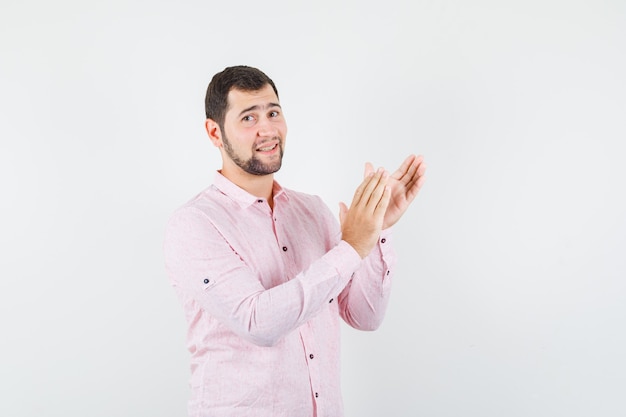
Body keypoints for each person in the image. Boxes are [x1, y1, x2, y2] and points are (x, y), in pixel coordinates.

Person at [163, 65, 426, 417]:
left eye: (273, 112)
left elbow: (364, 316)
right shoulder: (195, 224)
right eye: (248, 118)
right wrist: (351, 248)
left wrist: (376, 229)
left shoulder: (312, 210)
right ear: (215, 133)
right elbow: (258, 322)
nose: (267, 128)